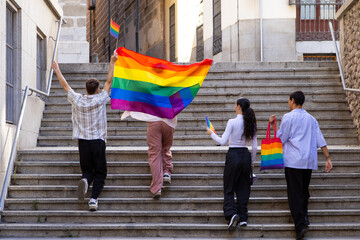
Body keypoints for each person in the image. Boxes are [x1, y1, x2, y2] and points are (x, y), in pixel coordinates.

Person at [51, 52, 118, 211]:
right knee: (100, 172)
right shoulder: (100, 98)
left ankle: (86, 181)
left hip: (83, 142)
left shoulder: (78, 100)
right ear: (97, 90)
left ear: (86, 89)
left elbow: (66, 86)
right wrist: (112, 61)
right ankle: (93, 199)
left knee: (87, 170)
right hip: (98, 141)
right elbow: (110, 81)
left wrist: (57, 69)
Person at [268, 91, 333, 240]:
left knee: (295, 193)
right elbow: (320, 139)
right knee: (304, 191)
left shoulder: (288, 117)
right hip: (308, 161)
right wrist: (328, 158)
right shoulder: (311, 119)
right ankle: (304, 217)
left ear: (292, 101)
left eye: (289, 100)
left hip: (293, 161)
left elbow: (281, 139)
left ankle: (300, 226)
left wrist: (273, 126)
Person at [206, 98, 257, 231]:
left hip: (233, 155)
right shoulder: (251, 122)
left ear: (239, 106)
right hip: (245, 155)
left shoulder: (232, 122)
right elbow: (255, 146)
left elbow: (223, 141)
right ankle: (243, 217)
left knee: (229, 186)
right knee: (243, 187)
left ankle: (231, 213)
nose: (234, 107)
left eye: (235, 105)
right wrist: (252, 161)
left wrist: (211, 133)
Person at [121, 111, 177, 198]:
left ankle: (157, 188)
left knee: (154, 153)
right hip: (169, 122)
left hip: (154, 121)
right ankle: (166, 172)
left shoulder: (152, 96)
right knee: (166, 148)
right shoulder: (171, 96)